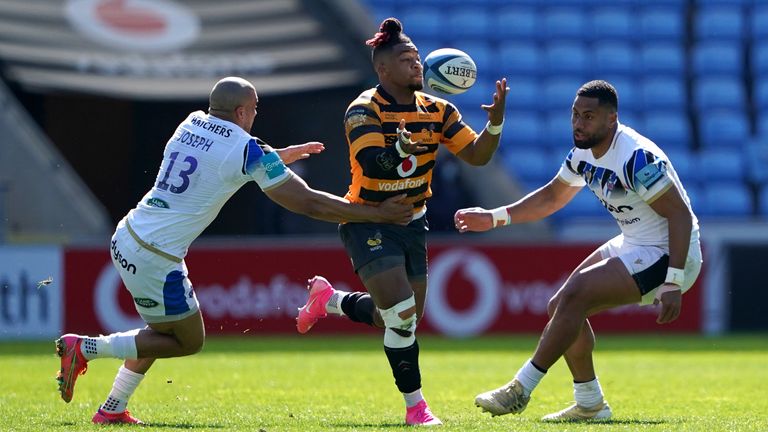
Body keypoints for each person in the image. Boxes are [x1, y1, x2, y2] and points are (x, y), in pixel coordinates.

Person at [54, 76, 413, 425]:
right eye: (254, 109)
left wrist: (278, 156)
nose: (256, 115)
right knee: (186, 340)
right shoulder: (246, 150)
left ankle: (112, 408)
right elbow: (306, 203)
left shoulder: (192, 121)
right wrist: (375, 213)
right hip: (155, 255)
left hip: (131, 234)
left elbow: (217, 159)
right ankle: (84, 348)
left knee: (159, 331)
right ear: (242, 112)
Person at [294, 17, 508, 426]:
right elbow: (372, 161)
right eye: (406, 59)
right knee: (404, 317)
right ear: (383, 69)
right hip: (366, 218)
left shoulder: (439, 110)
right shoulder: (363, 109)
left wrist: (495, 123)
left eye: (417, 58)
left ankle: (331, 300)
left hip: (413, 222)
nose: (416, 65)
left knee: (395, 318)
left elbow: (478, 156)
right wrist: (400, 147)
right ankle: (417, 409)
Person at [454, 80, 702, 422]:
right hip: (635, 241)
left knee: (575, 297)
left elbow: (680, 215)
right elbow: (552, 197)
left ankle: (520, 389)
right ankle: (590, 403)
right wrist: (494, 218)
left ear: (611, 119)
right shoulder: (582, 154)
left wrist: (674, 280)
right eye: (575, 114)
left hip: (670, 251)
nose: (578, 123)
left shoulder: (636, 157)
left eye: (588, 116)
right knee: (560, 305)